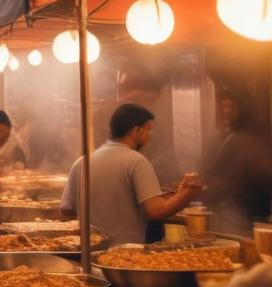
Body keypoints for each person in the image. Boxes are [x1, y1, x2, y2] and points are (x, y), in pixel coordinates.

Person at [61, 103, 205, 244]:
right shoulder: (136, 161)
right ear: (136, 130)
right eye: (148, 130)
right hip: (127, 253)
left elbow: (67, 209)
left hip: (89, 252)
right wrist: (189, 192)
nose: (149, 137)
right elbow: (156, 211)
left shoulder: (82, 162)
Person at [205, 90, 272, 236]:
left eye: (232, 107)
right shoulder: (227, 136)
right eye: (224, 107)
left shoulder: (247, 139)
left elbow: (230, 180)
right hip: (231, 213)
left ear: (244, 110)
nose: (227, 112)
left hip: (245, 216)